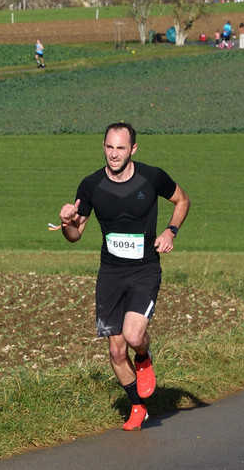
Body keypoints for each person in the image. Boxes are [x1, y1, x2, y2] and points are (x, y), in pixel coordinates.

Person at [58, 122, 191, 431]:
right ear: (103, 147)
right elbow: (75, 235)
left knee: (133, 337)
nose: (114, 154)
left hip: (145, 269)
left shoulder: (152, 177)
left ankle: (143, 357)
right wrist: (66, 222)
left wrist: (170, 231)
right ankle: (137, 406)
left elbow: (182, 200)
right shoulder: (90, 185)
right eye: (109, 147)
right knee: (116, 350)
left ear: (133, 149)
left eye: (120, 147)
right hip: (111, 273)